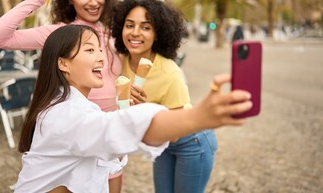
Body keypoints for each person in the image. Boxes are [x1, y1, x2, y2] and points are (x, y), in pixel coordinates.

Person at [14, 24, 251, 192]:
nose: (101, 58)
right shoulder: (63, 114)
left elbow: (109, 141)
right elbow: (117, 129)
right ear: (63, 63)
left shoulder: (77, 107)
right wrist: (200, 117)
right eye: (89, 50)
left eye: (99, 49)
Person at [0, 0, 124, 192]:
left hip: (111, 135)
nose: (93, 2)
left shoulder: (113, 34)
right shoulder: (60, 34)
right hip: (76, 139)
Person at [111, 0, 217, 193]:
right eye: (129, 25)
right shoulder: (120, 60)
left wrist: (143, 112)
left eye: (145, 27)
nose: (135, 33)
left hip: (191, 141)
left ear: (158, 33)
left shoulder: (170, 73)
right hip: (162, 146)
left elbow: (175, 132)